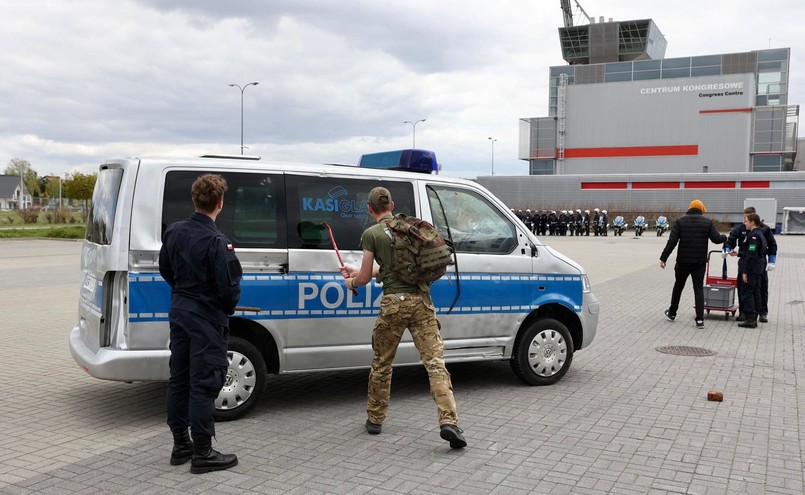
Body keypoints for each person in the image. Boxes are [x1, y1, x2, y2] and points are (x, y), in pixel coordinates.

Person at [339, 186, 467, 449]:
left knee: (383, 362)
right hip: (422, 303)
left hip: (393, 306)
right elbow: (391, 268)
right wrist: (362, 272)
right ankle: (449, 422)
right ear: (392, 205)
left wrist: (351, 281)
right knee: (435, 363)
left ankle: (375, 418)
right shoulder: (408, 229)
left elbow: (364, 278)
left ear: (369, 208)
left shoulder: (372, 234)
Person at [159, 174, 243, 474]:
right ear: (220, 203)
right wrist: (221, 306)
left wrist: (185, 293)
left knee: (179, 379)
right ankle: (203, 452)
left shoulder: (174, 232)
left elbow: (166, 269)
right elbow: (229, 289)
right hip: (206, 317)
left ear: (195, 199)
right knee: (204, 383)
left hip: (180, 312)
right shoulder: (218, 241)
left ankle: (181, 444)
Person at [659, 199, 727, 329]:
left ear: (690, 208)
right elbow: (716, 239)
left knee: (678, 286)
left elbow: (672, 242)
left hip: (682, 262)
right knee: (698, 289)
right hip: (699, 262)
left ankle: (672, 313)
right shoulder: (707, 222)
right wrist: (726, 237)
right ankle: (700, 320)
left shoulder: (680, 221)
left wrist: (664, 258)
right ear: (701, 209)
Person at [725, 206, 778, 323]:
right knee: (743, 289)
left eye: (746, 219)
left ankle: (762, 312)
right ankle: (744, 312)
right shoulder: (740, 229)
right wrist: (726, 249)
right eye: (743, 218)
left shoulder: (764, 230)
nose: (744, 221)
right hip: (745, 262)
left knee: (761, 289)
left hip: (757, 263)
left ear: (753, 219)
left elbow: (772, 245)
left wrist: (772, 261)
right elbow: (730, 240)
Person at [735, 213, 768, 328]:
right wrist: (739, 253)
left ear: (753, 222)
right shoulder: (759, 233)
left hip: (752, 269)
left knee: (747, 292)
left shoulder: (753, 236)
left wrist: (745, 271)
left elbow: (751, 255)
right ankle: (754, 317)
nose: (745, 223)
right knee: (756, 292)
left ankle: (750, 319)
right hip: (758, 268)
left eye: (746, 221)